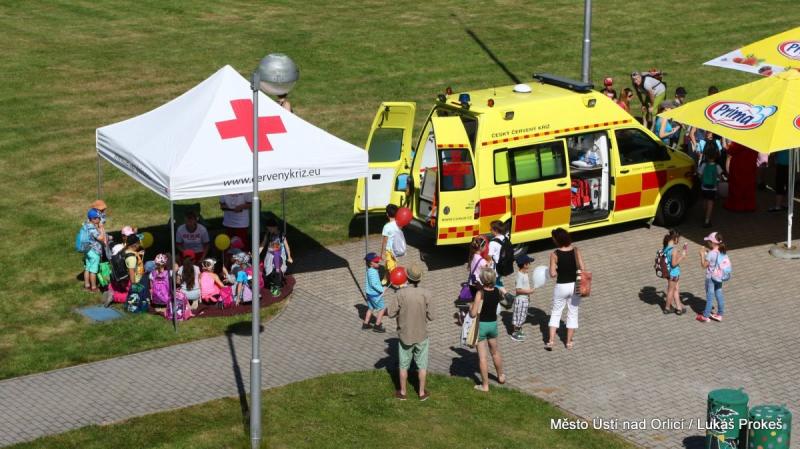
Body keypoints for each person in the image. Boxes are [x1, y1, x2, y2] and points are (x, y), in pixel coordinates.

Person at [387, 263, 433, 401]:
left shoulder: (400, 294)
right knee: (422, 366)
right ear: (419, 278)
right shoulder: (427, 294)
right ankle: (421, 393)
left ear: (406, 277)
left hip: (405, 335)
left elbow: (390, 313)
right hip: (421, 334)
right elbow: (432, 316)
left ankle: (403, 392)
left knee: (403, 365)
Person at [545, 228, 585, 350]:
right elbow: (582, 268)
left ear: (557, 240)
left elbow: (552, 274)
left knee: (556, 312)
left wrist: (558, 269)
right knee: (573, 312)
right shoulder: (576, 250)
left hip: (561, 286)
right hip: (575, 285)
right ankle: (568, 342)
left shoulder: (554, 254)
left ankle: (551, 341)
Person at [470, 267, 506, 392]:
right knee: (495, 352)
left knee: (482, 357)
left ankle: (485, 385)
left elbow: (473, 314)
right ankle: (501, 376)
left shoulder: (480, 293)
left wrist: (470, 307)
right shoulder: (497, 291)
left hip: (481, 326)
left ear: (482, 279)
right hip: (493, 324)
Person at [697, 232, 727, 323]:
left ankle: (705, 316)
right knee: (719, 294)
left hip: (711, 278)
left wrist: (702, 255)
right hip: (719, 277)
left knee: (710, 297)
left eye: (709, 241)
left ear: (713, 242)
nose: (708, 243)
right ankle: (720, 314)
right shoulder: (722, 251)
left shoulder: (711, 253)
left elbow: (704, 265)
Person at [724, 142, 759, 212]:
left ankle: (737, 206)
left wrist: (727, 145)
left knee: (737, 186)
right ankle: (749, 205)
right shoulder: (755, 141)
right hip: (750, 165)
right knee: (749, 185)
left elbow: (730, 150)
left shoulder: (740, 140)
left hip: (739, 166)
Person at [487, 220, 515, 306]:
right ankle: (505, 296)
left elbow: (489, 257)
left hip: (496, 267)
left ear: (495, 230)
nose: (490, 230)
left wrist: (486, 265)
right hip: (504, 265)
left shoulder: (492, 242)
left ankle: (507, 296)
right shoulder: (504, 238)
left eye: (491, 229)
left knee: (492, 282)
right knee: (498, 281)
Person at [698, 146, 725, 228]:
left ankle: (704, 215)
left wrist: (702, 180)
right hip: (712, 188)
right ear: (716, 156)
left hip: (704, 187)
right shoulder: (717, 166)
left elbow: (699, 175)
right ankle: (707, 221)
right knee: (710, 203)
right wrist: (719, 180)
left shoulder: (703, 165)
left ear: (706, 156)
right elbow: (720, 177)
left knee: (704, 201)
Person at [662, 230, 687, 315]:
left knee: (676, 289)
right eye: (678, 239)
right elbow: (673, 264)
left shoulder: (666, 247)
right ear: (675, 238)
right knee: (671, 291)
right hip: (674, 273)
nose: (678, 241)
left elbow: (669, 259)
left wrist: (677, 254)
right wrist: (682, 257)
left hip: (668, 272)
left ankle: (679, 307)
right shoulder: (674, 250)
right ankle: (667, 308)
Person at [511, 254, 535, 341]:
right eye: (529, 263)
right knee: (519, 318)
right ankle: (515, 334)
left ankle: (518, 331)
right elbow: (518, 290)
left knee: (521, 316)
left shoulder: (525, 273)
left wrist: (528, 296)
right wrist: (529, 292)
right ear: (525, 265)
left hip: (524, 300)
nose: (530, 264)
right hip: (521, 301)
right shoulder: (520, 276)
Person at [82, 208, 107, 292]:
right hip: (93, 251)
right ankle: (93, 287)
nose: (98, 220)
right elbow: (101, 238)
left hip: (87, 249)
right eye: (97, 218)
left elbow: (102, 219)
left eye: (99, 218)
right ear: (92, 219)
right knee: (93, 270)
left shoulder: (86, 224)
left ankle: (87, 285)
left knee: (87, 268)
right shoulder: (92, 229)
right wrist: (102, 228)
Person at [363, 252, 386, 333]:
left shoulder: (370, 270)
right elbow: (374, 284)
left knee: (371, 308)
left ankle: (365, 324)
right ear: (371, 263)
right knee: (382, 308)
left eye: (378, 261)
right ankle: (377, 325)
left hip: (369, 294)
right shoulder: (372, 272)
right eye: (376, 262)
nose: (378, 262)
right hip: (375, 295)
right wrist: (382, 289)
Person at [380, 204, 401, 285]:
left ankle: (400, 282)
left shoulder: (386, 227)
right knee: (389, 264)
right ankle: (385, 278)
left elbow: (385, 241)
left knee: (391, 268)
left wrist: (382, 253)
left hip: (389, 251)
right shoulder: (398, 224)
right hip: (396, 249)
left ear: (387, 214)